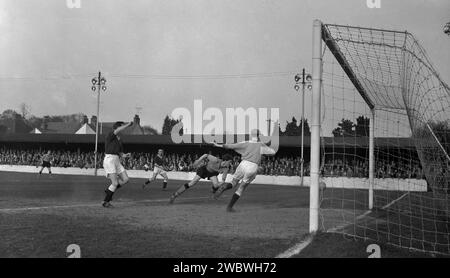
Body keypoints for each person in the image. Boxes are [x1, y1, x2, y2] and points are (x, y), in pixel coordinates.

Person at [212, 129, 276, 212]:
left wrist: (217, 145)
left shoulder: (246, 142)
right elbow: (273, 152)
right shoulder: (261, 145)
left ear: (251, 135)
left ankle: (223, 187)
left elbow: (231, 146)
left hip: (243, 164)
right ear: (259, 135)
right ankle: (229, 207)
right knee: (241, 188)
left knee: (233, 182)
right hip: (252, 166)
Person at [169, 153, 233, 204]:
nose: (230, 163)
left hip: (212, 173)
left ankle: (214, 190)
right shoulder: (215, 160)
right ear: (225, 161)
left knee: (216, 185)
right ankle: (175, 195)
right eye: (229, 162)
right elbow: (206, 155)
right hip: (204, 169)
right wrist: (198, 160)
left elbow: (223, 180)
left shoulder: (226, 168)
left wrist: (221, 184)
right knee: (192, 183)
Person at [102, 121, 133, 208]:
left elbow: (119, 152)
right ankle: (106, 201)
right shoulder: (111, 134)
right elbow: (118, 130)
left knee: (126, 179)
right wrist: (127, 125)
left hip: (116, 159)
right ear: (117, 127)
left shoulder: (118, 139)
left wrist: (124, 155)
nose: (122, 129)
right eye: (121, 127)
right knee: (115, 183)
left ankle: (108, 190)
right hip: (110, 159)